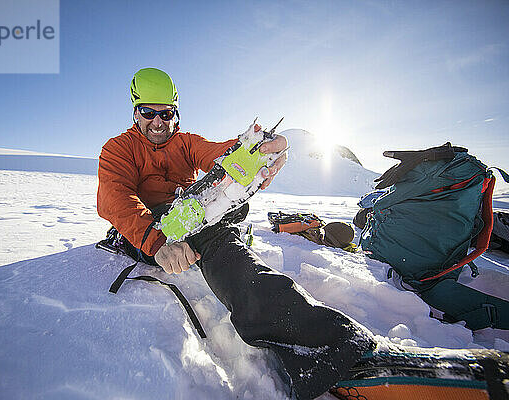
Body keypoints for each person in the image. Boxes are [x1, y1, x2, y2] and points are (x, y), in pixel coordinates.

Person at [97, 67, 375, 399]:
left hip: (191, 218)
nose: (158, 121)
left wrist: (255, 154)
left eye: (166, 113)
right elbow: (115, 199)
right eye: (149, 112)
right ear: (135, 110)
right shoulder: (119, 148)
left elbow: (216, 153)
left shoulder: (186, 143)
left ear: (175, 112)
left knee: (220, 210)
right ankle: (321, 344)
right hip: (147, 231)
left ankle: (221, 238)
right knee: (211, 234)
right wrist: (158, 244)